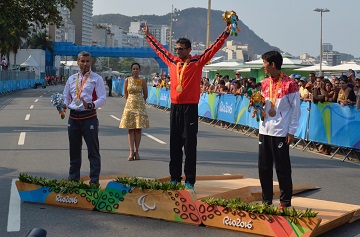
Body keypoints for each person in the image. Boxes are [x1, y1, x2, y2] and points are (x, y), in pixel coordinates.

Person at [142, 21, 231, 189]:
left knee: (189, 145)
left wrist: (225, 33)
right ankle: (174, 177)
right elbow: (159, 49)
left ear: (189, 50)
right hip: (175, 107)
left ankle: (189, 180)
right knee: (174, 143)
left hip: (190, 108)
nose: (177, 51)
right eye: (176, 49)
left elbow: (213, 48)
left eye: (181, 49)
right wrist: (148, 36)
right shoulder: (172, 61)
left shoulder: (197, 62)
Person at [259, 50, 301, 209]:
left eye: (264, 63)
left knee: (282, 169)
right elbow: (263, 104)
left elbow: (296, 110)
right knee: (264, 168)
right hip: (264, 130)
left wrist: (291, 131)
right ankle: (266, 201)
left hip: (281, 132)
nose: (263, 65)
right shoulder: (264, 83)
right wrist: (258, 108)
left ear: (273, 64)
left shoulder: (290, 84)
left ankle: (285, 203)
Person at [62, 51, 106, 185]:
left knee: (93, 152)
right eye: (82, 61)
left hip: (89, 117)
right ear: (78, 62)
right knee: (74, 152)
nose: (85, 64)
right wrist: (63, 104)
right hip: (73, 117)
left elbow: (103, 98)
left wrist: (92, 105)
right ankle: (73, 181)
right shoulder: (71, 79)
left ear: (90, 62)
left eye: (87, 61)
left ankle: (94, 182)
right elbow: (66, 96)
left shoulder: (96, 78)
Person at [119, 63, 149, 161]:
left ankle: (137, 151)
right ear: (131, 70)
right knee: (131, 129)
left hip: (140, 106)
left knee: (138, 129)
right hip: (129, 106)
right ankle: (131, 152)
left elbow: (146, 94)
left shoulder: (142, 81)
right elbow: (126, 93)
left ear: (139, 70)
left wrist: (140, 102)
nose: (135, 71)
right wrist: (130, 102)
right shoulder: (127, 80)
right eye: (133, 69)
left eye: (137, 69)